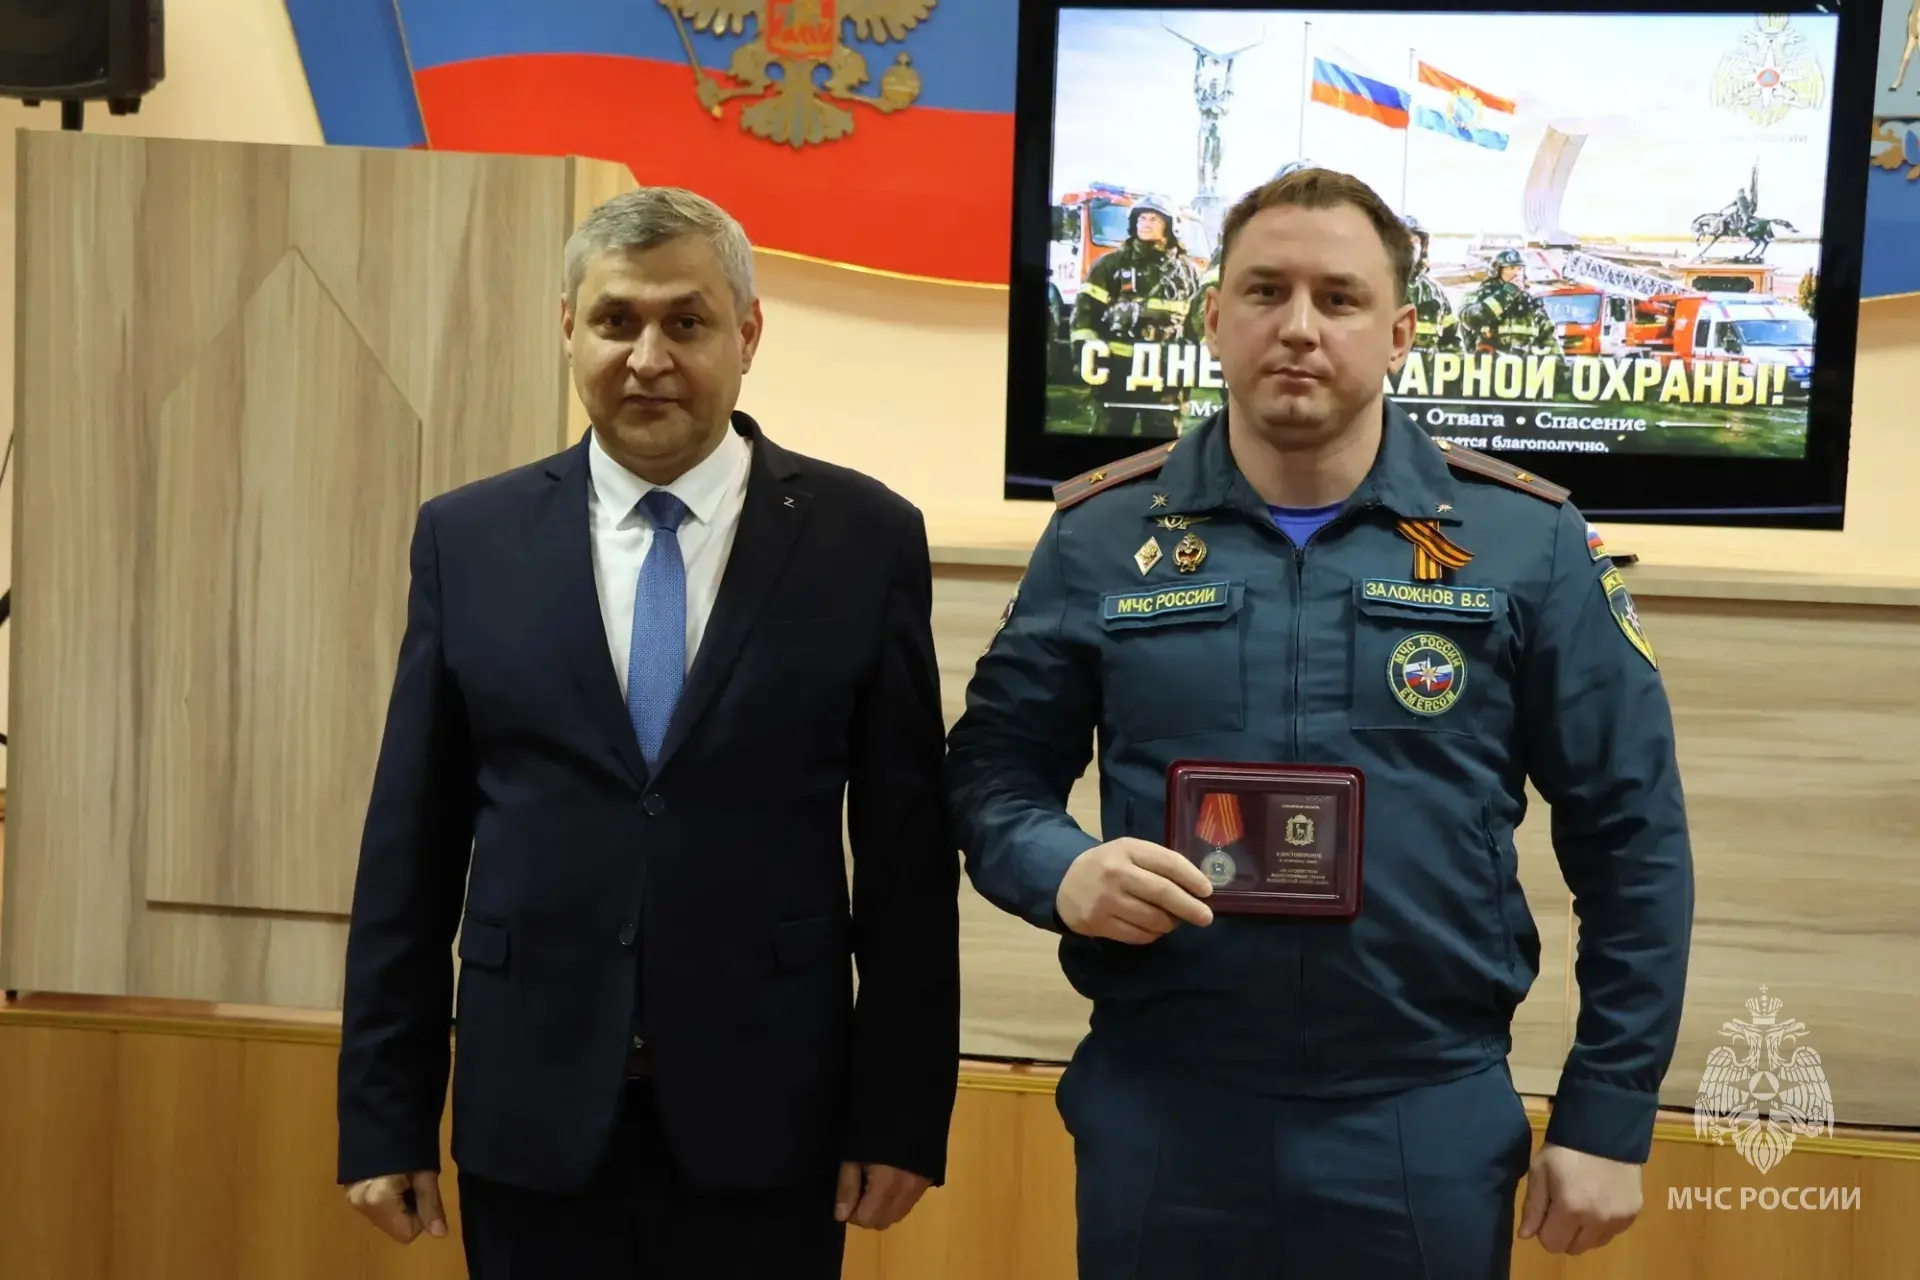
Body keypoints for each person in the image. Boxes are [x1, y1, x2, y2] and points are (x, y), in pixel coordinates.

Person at [946, 167, 1693, 1277]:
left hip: (1421, 1111)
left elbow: (1632, 839)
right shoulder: (1101, 536)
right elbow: (991, 774)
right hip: (1165, 1104)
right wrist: (1061, 869)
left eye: (1339, 298)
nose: (1298, 326)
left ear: (1399, 334)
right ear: (1212, 319)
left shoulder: (1527, 544)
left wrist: (1608, 1110)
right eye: (1265, 291)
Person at [336, 186, 959, 1277]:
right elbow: (410, 848)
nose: (649, 357)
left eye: (687, 321)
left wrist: (901, 1110)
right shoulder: (469, 539)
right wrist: (384, 1114)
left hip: (770, 1113)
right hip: (532, 1109)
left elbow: (907, 852)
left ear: (748, 334)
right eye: (617, 320)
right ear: (567, 328)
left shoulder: (864, 539)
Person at [1069, 199, 1202, 438]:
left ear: (1170, 226)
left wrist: (1194, 364)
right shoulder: (1109, 265)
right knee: (1109, 437)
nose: (1145, 224)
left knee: (1163, 443)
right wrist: (1087, 360)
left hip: (1166, 374)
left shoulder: (1188, 272)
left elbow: (1197, 323)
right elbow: (1084, 318)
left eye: (1154, 219)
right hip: (1117, 372)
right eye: (1141, 218)